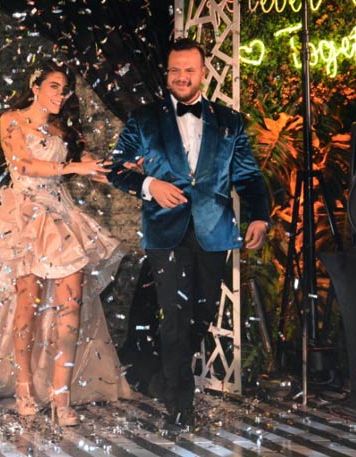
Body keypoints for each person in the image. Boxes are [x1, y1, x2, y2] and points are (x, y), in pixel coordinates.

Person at [0, 62, 130, 426]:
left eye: (65, 89)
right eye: (54, 86)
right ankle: (24, 387)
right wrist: (72, 168)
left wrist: (117, 169)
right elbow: (24, 164)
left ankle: (61, 397)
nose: (61, 95)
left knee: (71, 305)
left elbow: (86, 165)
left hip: (61, 217)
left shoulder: (63, 129)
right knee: (26, 306)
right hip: (26, 216)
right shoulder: (12, 120)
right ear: (35, 86)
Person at [107, 38, 271, 426]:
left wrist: (259, 217)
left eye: (189, 70)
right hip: (165, 232)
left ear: (202, 73)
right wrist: (150, 185)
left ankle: (163, 377)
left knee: (202, 313)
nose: (182, 76)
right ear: (167, 73)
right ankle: (181, 406)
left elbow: (248, 176)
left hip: (214, 229)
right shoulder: (145, 119)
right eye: (175, 70)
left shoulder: (229, 121)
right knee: (176, 315)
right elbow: (115, 168)